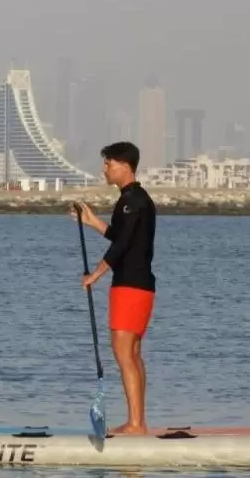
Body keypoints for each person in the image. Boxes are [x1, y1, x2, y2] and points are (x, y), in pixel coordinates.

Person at [73, 141, 156, 436]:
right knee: (131, 353)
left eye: (108, 163)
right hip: (138, 285)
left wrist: (94, 275)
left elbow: (121, 246)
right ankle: (138, 422)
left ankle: (135, 424)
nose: (104, 169)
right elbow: (123, 238)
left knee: (125, 353)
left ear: (123, 165)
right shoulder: (132, 199)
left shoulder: (132, 200)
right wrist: (95, 223)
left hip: (131, 287)